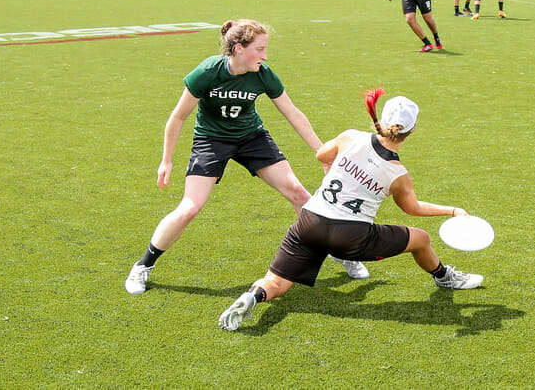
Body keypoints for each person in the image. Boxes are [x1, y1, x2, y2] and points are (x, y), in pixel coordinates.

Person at [124, 19, 369, 295]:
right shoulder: (208, 72)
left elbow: (293, 113)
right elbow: (178, 116)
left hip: (252, 138)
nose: (265, 56)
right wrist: (166, 160)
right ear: (239, 48)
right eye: (260, 49)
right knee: (190, 207)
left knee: (299, 193)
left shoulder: (262, 73)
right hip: (211, 140)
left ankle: (338, 252)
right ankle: (143, 265)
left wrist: (322, 152)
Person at [218, 89, 483, 331]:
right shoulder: (398, 174)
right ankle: (444, 277)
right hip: (351, 237)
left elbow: (322, 155)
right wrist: (452, 210)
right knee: (421, 239)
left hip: (310, 222)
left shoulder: (351, 136)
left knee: (276, 283)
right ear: (411, 131)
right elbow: (411, 208)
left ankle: (253, 295)